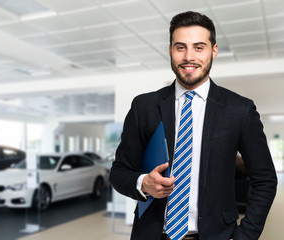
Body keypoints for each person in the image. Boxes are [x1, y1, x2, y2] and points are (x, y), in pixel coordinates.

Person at [110, 11, 277, 240]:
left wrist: (244, 236)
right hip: (151, 234)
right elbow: (119, 172)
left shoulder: (240, 110)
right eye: (181, 47)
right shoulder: (144, 106)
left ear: (213, 51)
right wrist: (143, 183)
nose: (189, 56)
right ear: (170, 50)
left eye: (199, 47)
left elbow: (265, 180)